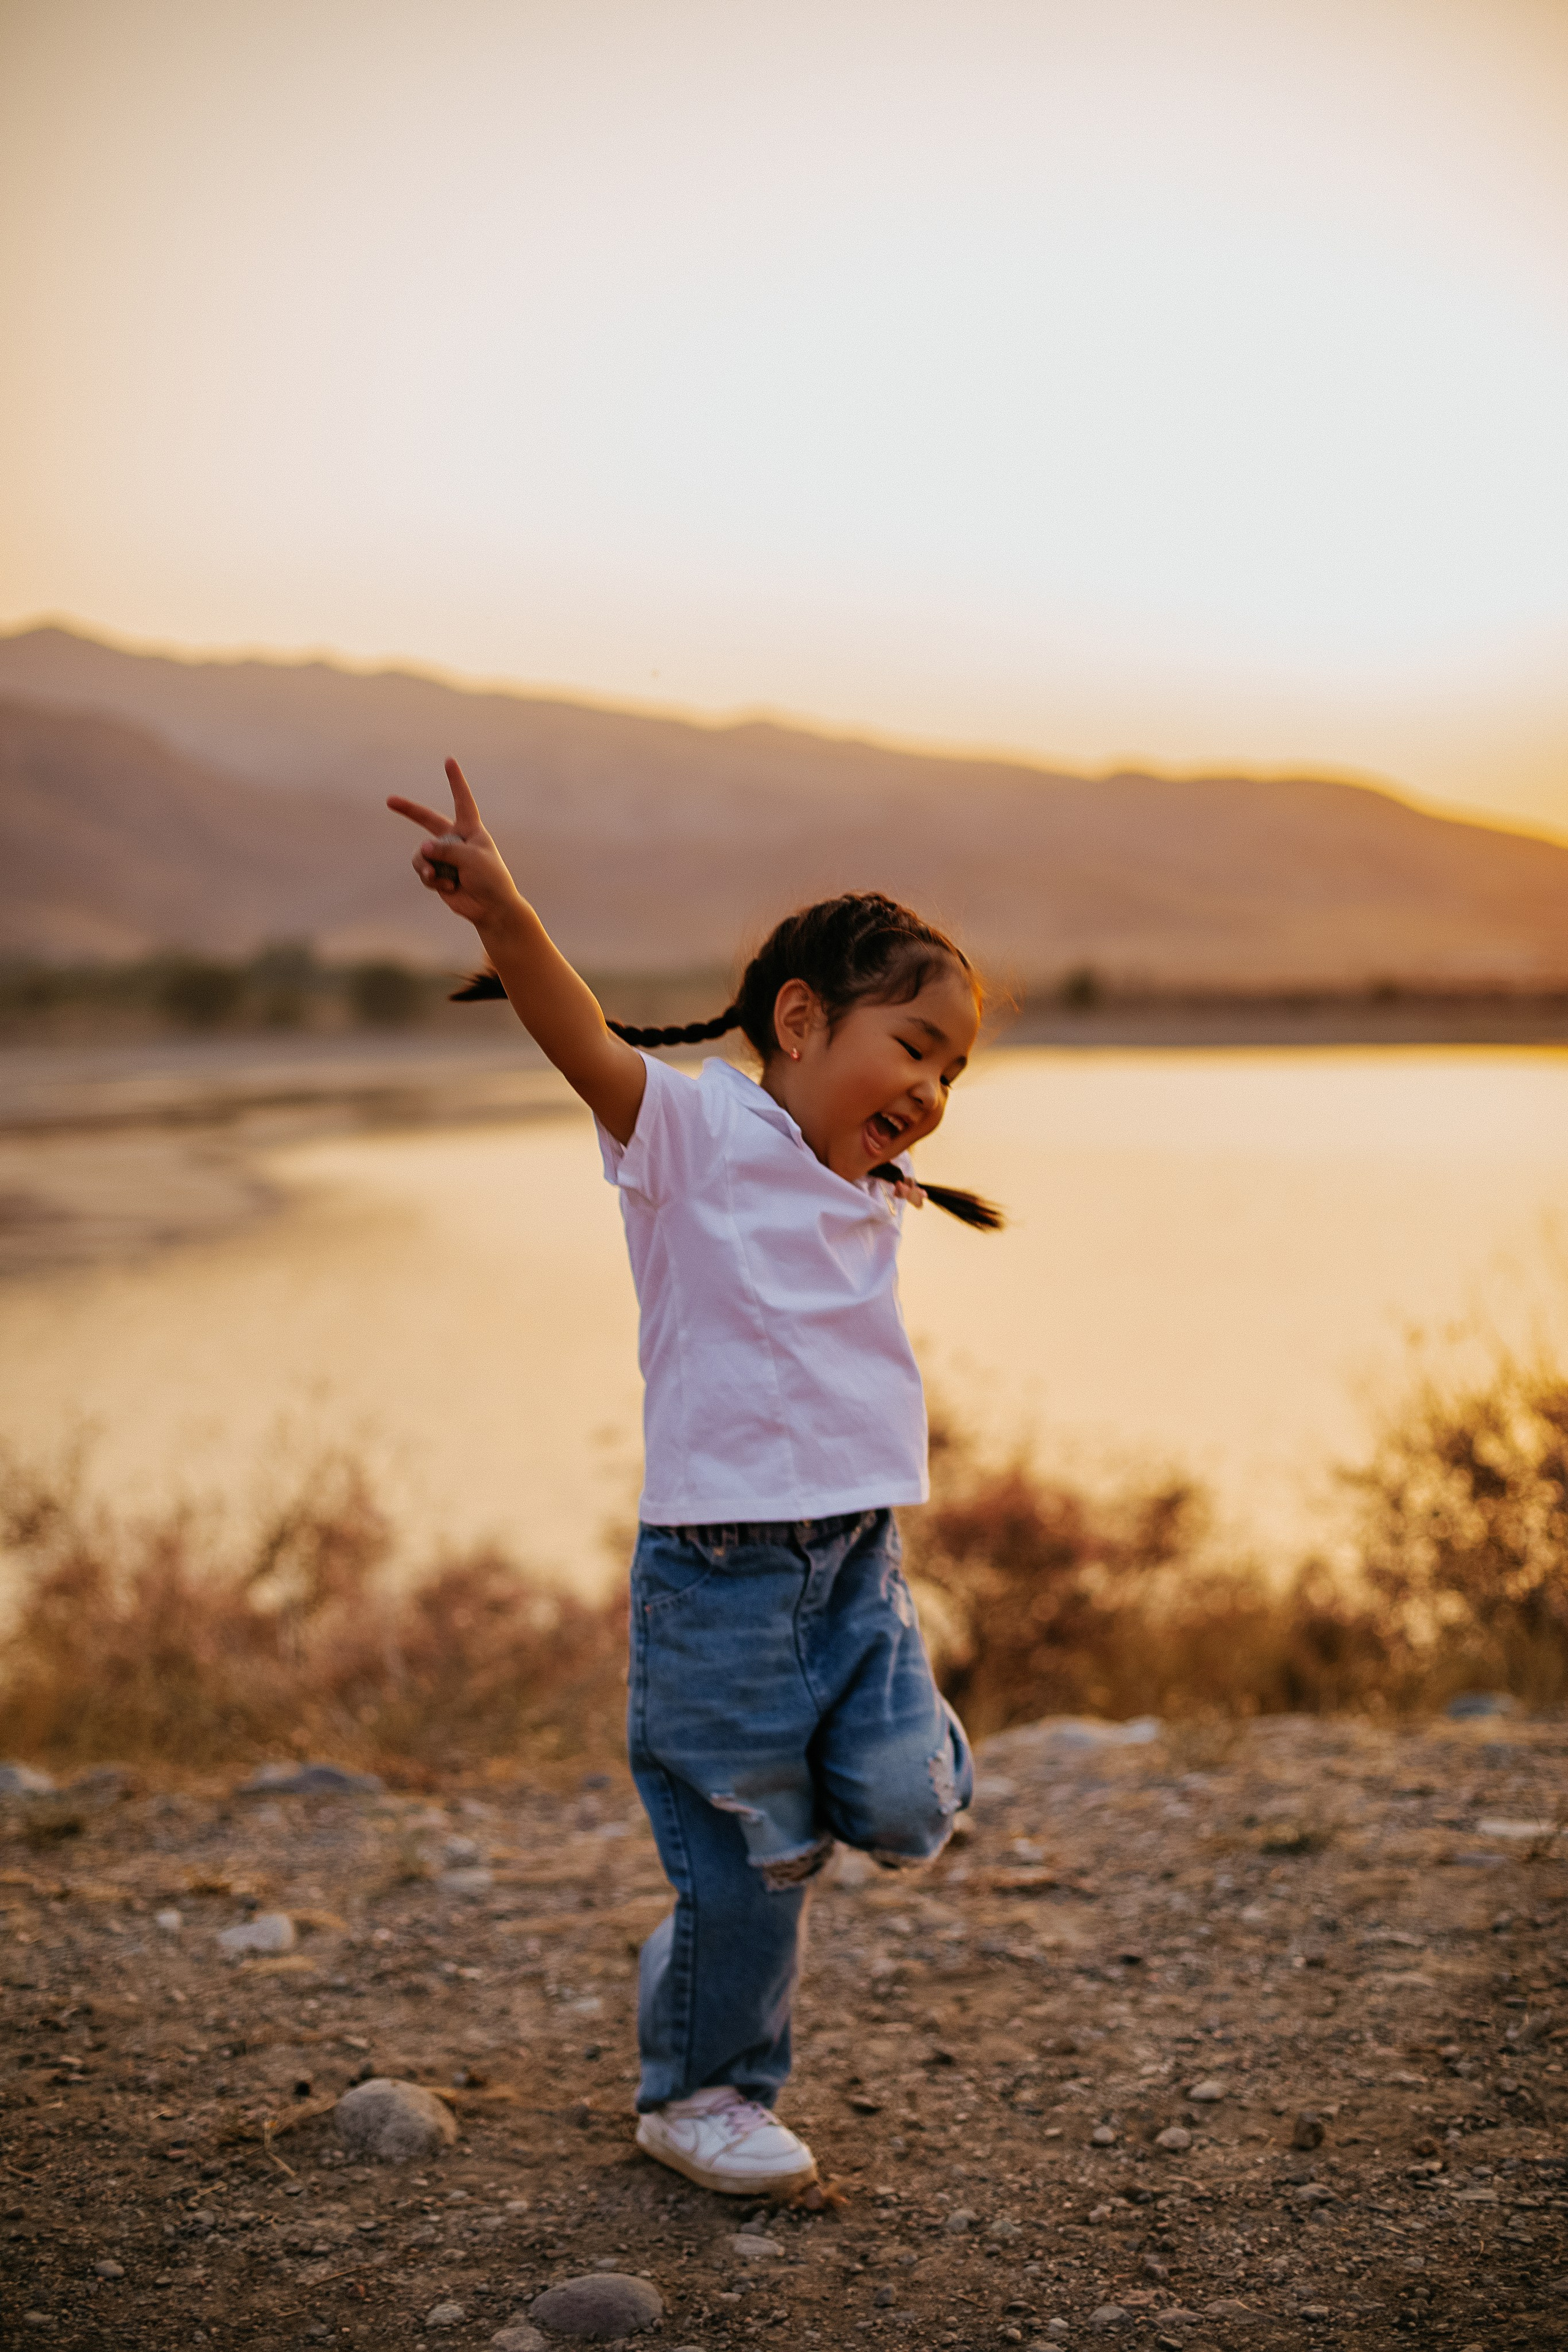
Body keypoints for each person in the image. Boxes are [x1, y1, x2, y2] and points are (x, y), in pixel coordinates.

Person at [389, 760, 1002, 2196]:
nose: (928, 1089)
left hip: (855, 1562)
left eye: (951, 1072)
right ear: (800, 1019)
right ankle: (700, 2094)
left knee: (906, 1811)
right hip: (717, 1583)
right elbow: (576, 1035)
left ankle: (707, 1945)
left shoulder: (869, 1184)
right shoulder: (692, 1136)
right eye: (912, 1047)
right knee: (752, 1863)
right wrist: (507, 917)